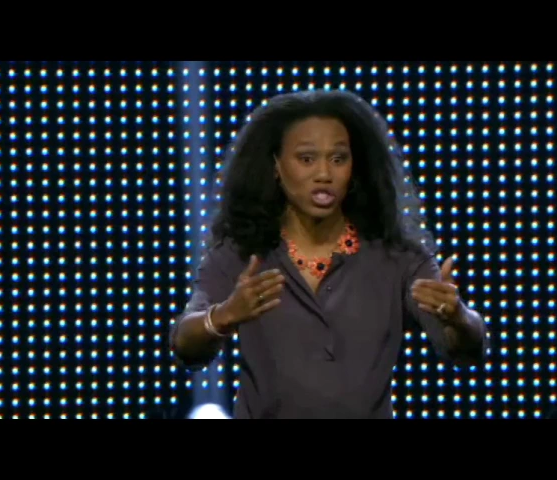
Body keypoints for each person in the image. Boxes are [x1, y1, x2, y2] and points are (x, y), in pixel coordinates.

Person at [170, 89, 489, 419]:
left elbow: (465, 349)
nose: (324, 174)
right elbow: (184, 344)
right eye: (306, 159)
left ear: (354, 166)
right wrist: (223, 316)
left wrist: (459, 317)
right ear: (276, 164)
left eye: (338, 159)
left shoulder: (399, 257)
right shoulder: (243, 254)